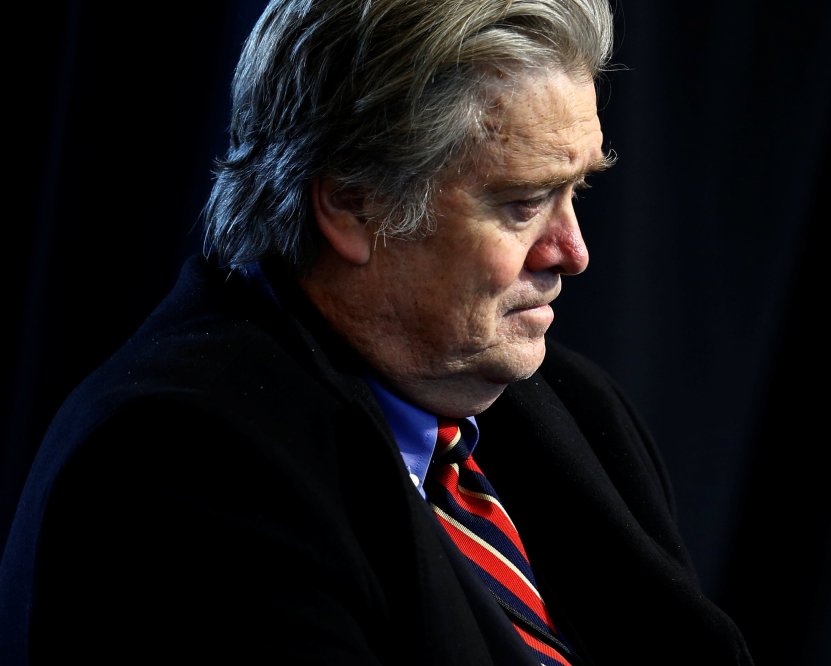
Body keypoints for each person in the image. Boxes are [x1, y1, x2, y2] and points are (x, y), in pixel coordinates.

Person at [0, 0, 754, 663]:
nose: (573, 252)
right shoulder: (176, 466)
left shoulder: (577, 412)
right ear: (354, 204)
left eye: (575, 190)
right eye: (525, 203)